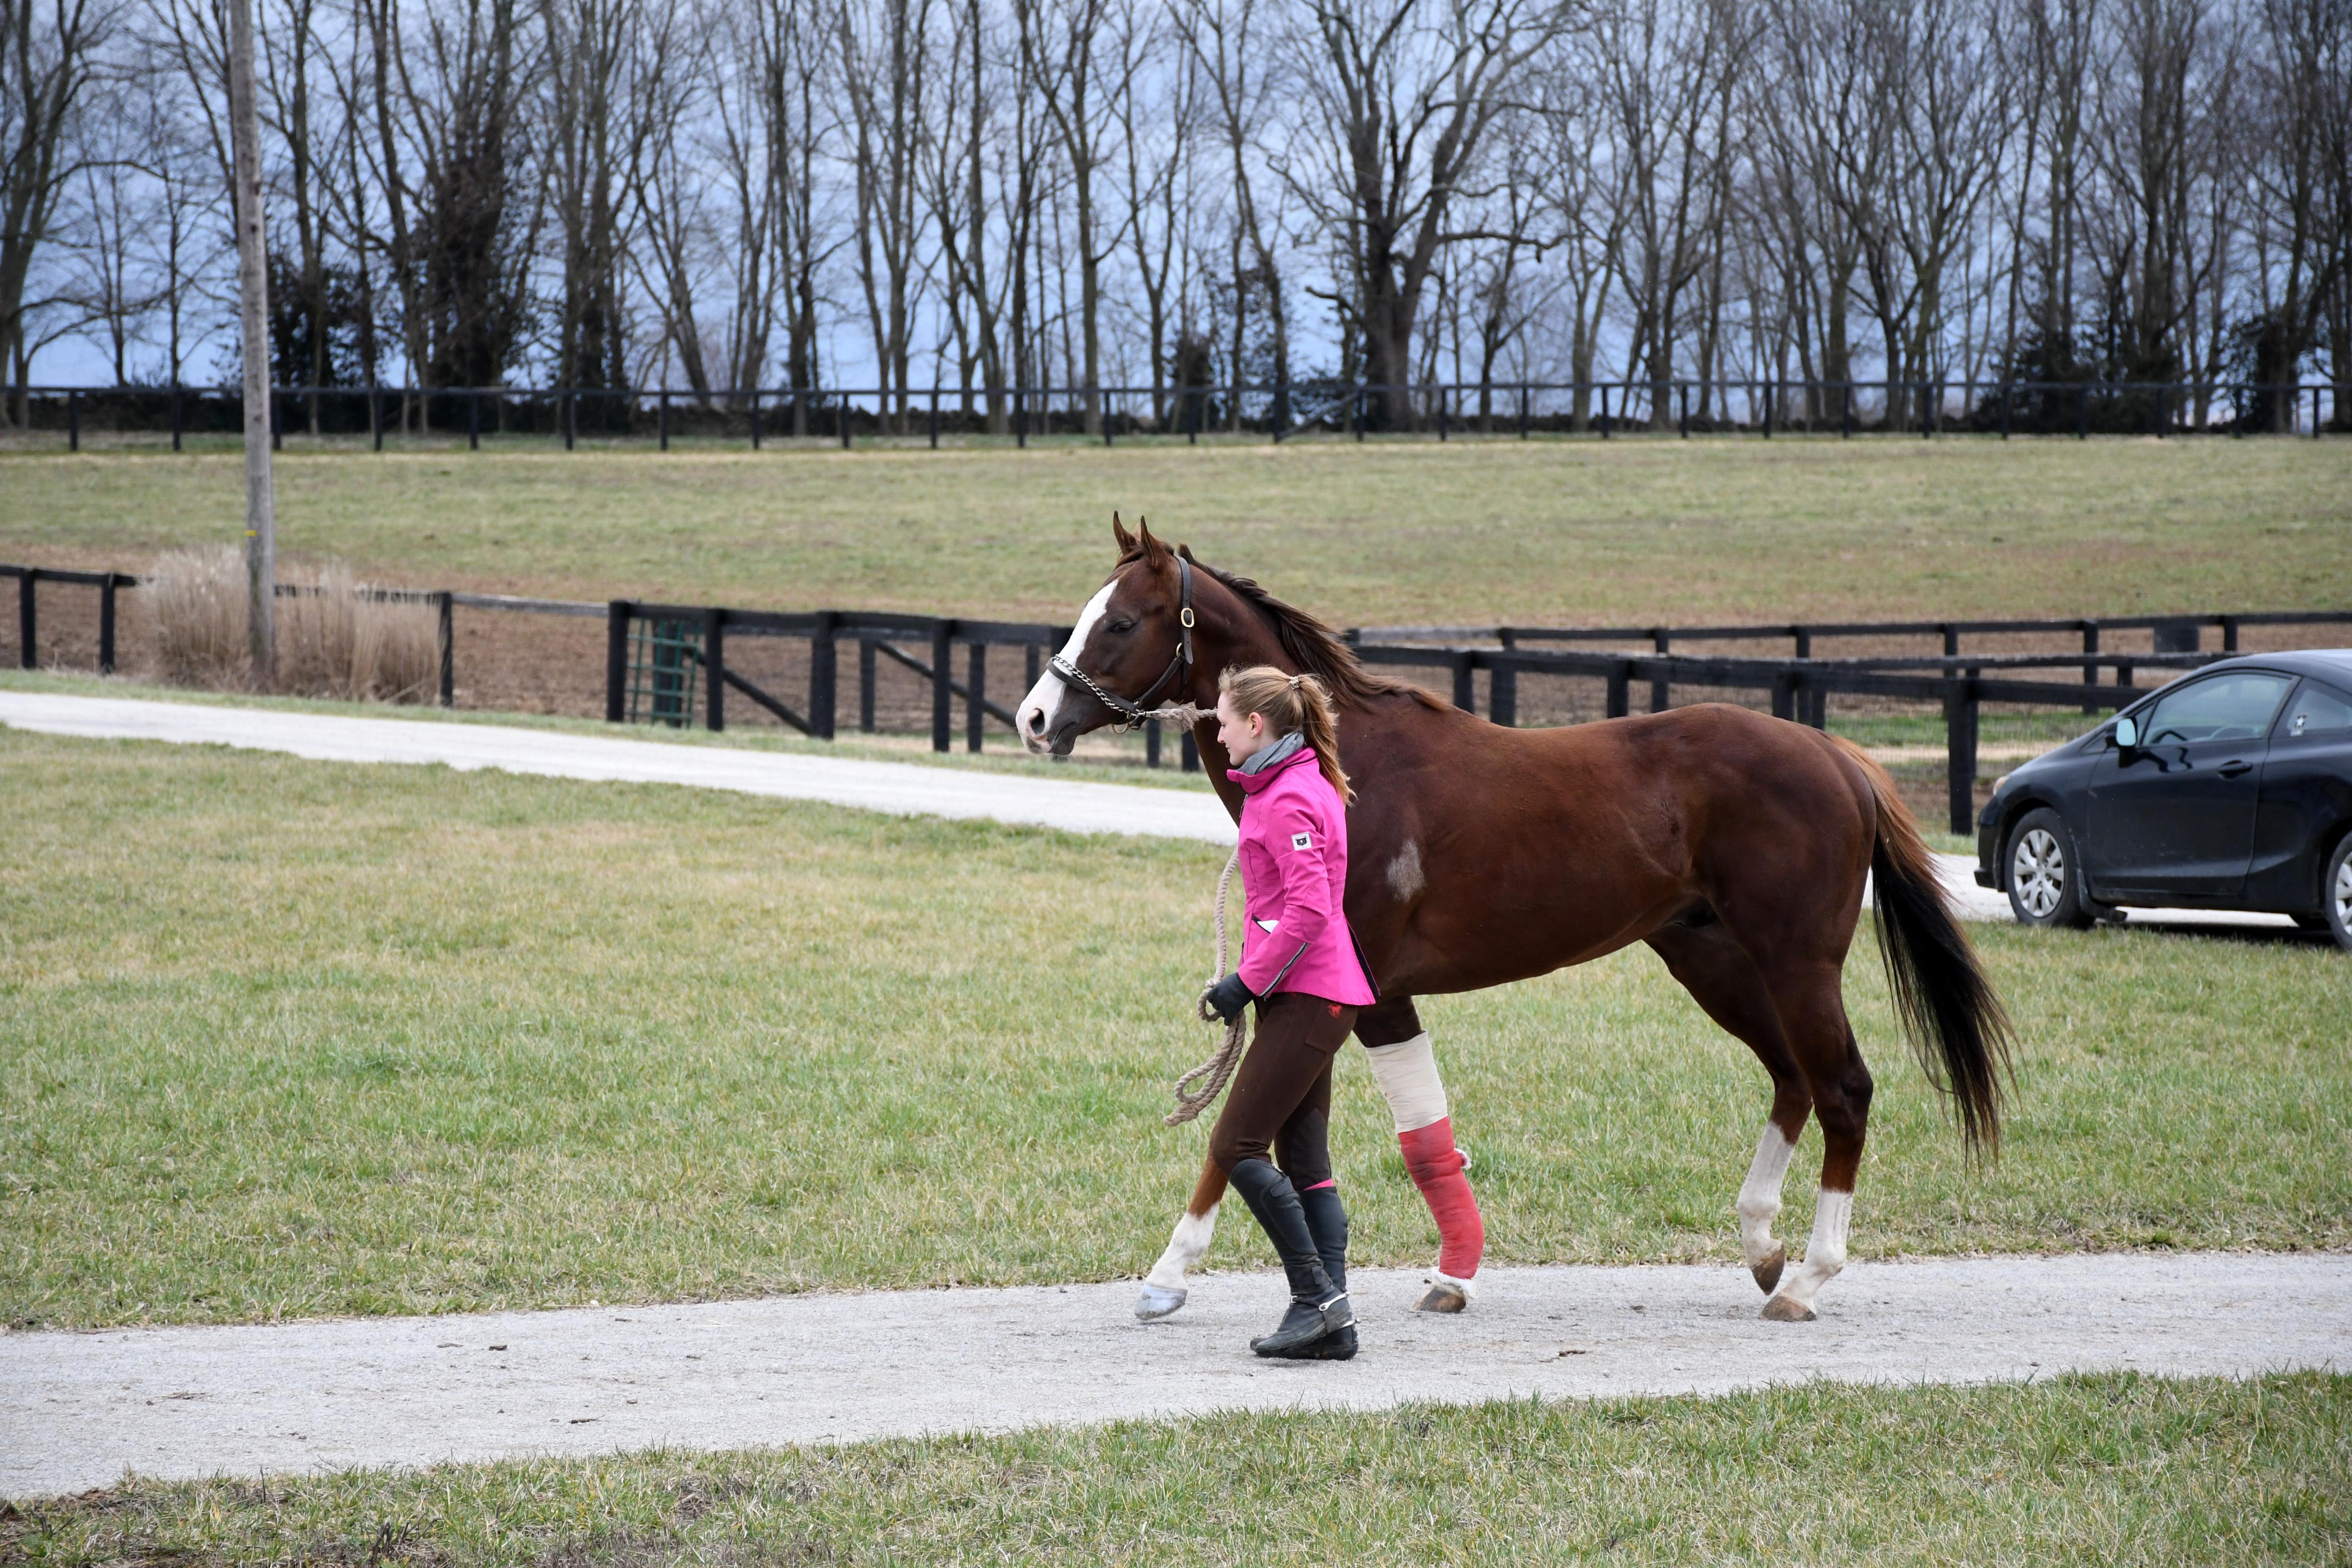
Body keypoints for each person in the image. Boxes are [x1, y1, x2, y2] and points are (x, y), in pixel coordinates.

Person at [1201, 664, 1377, 1360]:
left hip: (1312, 994)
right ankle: (1334, 1325)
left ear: (1255, 724)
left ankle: (1318, 1301)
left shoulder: (1289, 798)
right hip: (1314, 995)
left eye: (1222, 721)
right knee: (1305, 1161)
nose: (1216, 734)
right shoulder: (1294, 785)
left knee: (1235, 1147)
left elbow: (1309, 908)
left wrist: (1243, 983)